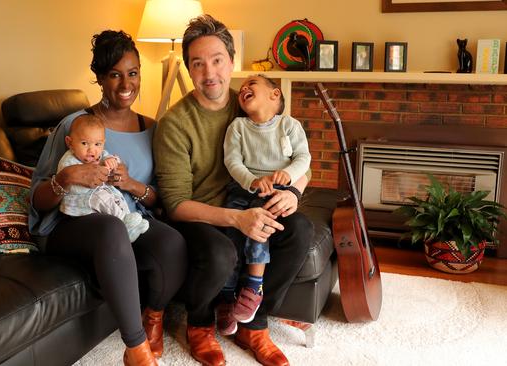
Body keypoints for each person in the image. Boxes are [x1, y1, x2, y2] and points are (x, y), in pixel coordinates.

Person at [153, 15, 313, 366]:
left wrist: (294, 192)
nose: (209, 73)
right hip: (202, 216)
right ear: (188, 68)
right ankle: (198, 325)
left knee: (300, 229)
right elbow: (176, 203)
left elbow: (301, 162)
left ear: (231, 61)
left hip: (253, 205)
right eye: (198, 63)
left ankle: (253, 325)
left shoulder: (253, 105)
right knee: (222, 252)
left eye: (217, 60)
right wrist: (238, 219)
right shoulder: (175, 124)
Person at [29, 30, 186, 366]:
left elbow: (159, 199)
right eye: (114, 75)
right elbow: (37, 201)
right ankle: (136, 349)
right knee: (111, 231)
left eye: (132, 73)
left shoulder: (154, 128)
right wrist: (65, 177)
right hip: (75, 223)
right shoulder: (75, 126)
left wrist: (130, 184)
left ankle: (154, 317)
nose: (125, 84)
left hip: (127, 215)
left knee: (172, 242)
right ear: (100, 78)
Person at [219, 74, 311, 336]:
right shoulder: (238, 127)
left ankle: (253, 287)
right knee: (232, 237)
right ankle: (226, 298)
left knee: (261, 227)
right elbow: (232, 161)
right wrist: (252, 180)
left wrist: (291, 176)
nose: (244, 87)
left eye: (253, 83)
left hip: (277, 192)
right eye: (243, 86)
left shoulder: (289, 126)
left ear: (275, 95)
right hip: (244, 188)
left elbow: (304, 157)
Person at [57, 113, 149, 242]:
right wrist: (86, 179)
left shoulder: (100, 155)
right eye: (84, 143)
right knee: (103, 197)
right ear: (70, 143)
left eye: (97, 144)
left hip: (100, 195)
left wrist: (112, 162)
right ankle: (125, 226)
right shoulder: (68, 161)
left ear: (103, 143)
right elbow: (72, 188)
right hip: (81, 201)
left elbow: (111, 158)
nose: (92, 151)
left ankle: (130, 221)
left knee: (116, 196)